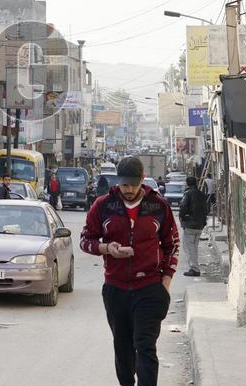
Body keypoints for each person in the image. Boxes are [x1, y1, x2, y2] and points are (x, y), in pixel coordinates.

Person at [81, 156, 179, 386]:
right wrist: (106, 248)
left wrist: (166, 281)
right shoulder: (104, 205)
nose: (128, 190)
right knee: (123, 348)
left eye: (133, 185)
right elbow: (85, 240)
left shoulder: (158, 206)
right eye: (124, 185)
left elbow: (172, 243)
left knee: (145, 346)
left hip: (150, 288)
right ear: (118, 182)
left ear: (142, 180)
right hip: (116, 289)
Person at [179, 176, 208, 277]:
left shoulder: (188, 194)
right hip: (199, 225)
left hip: (190, 225)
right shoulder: (202, 194)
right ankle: (195, 267)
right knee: (194, 247)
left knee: (189, 247)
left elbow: (183, 207)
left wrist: (182, 217)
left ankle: (194, 268)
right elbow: (206, 209)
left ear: (187, 184)